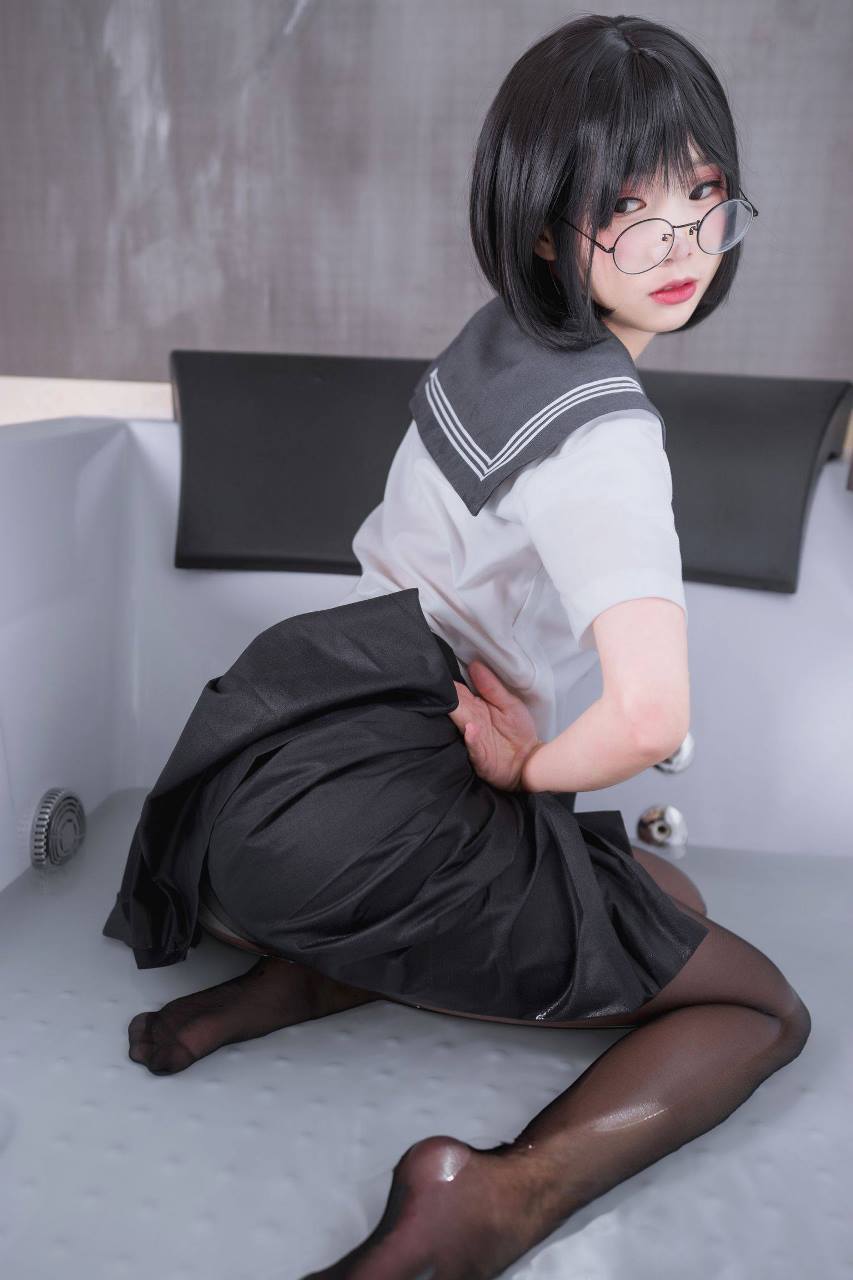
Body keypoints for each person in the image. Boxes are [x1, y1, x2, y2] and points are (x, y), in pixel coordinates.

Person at [103, 14, 811, 1279]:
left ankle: (304, 976)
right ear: (543, 225)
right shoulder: (605, 435)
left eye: (703, 195)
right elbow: (648, 719)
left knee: (669, 902)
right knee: (760, 1005)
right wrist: (529, 767)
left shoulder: (501, 338)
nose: (679, 245)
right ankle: (488, 1197)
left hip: (262, 762)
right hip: (371, 820)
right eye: (626, 207)